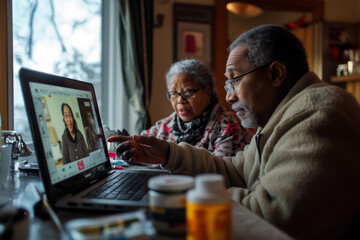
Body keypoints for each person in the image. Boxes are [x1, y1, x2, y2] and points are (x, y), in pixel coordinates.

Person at [108, 24, 360, 239]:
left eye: (235, 79)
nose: (228, 96)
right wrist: (168, 155)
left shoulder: (317, 112)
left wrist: (179, 193)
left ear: (275, 73)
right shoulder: (281, 117)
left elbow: (270, 217)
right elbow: (235, 171)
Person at [140, 59, 254, 157]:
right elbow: (141, 144)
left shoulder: (229, 126)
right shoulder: (166, 125)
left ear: (207, 92)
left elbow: (222, 173)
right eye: (174, 93)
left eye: (188, 91)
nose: (180, 100)